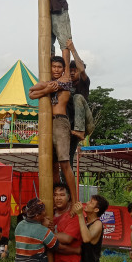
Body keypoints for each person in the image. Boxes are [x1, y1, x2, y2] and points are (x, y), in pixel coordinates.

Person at [29, 56, 77, 205]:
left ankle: (75, 200)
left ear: (63, 69)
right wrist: (47, 89)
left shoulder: (66, 80)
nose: (56, 69)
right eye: (53, 67)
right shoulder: (49, 84)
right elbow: (30, 94)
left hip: (60, 121)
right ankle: (56, 198)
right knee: (53, 164)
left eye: (59, 67)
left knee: (64, 162)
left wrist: (45, 87)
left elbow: (34, 91)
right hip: (47, 123)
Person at [67, 39, 94, 167]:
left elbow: (82, 70)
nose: (72, 72)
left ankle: (79, 131)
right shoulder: (66, 85)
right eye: (70, 70)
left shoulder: (84, 82)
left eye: (75, 70)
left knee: (77, 97)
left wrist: (72, 49)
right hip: (71, 127)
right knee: (67, 158)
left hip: (85, 125)